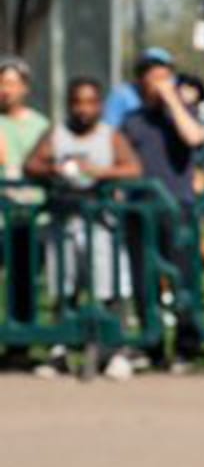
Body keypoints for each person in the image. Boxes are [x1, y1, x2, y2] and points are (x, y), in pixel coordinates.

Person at [26, 77, 145, 378]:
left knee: (110, 288)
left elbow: (133, 168)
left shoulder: (110, 136)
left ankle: (114, 350)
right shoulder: (58, 133)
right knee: (64, 289)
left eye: (90, 102)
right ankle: (60, 350)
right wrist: (53, 168)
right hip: (65, 221)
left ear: (100, 105)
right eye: (78, 102)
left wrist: (101, 172)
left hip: (102, 223)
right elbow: (32, 165)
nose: (83, 109)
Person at [119, 53, 204, 370]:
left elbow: (194, 137)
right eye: (153, 76)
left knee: (183, 278)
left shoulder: (184, 114)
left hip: (176, 207)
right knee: (143, 278)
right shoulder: (132, 120)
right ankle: (151, 343)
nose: (160, 82)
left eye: (165, 75)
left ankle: (187, 344)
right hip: (139, 209)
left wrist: (173, 100)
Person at [0, 54, 52, 337]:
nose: (5, 89)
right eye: (1, 83)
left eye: (11, 83)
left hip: (31, 216)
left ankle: (21, 343)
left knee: (23, 281)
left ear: (25, 88)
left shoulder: (39, 125)